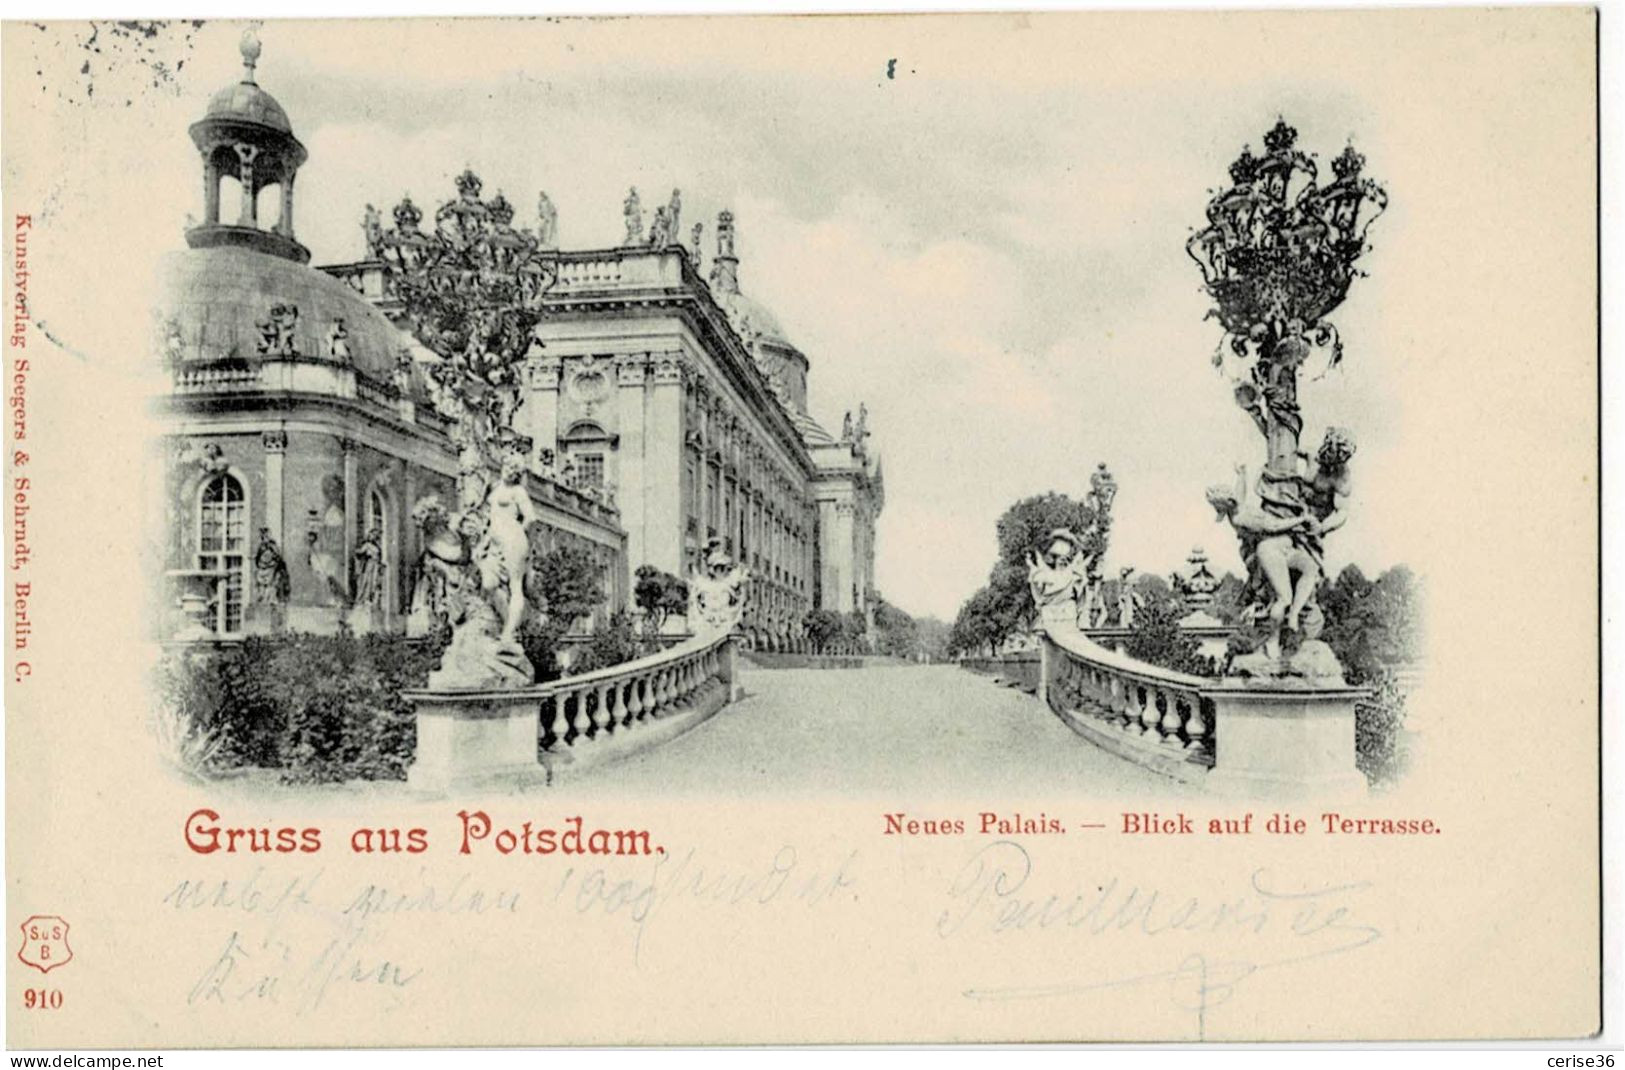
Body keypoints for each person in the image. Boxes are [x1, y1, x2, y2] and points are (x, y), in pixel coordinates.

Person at [480, 451, 536, 644]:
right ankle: (508, 624)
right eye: (508, 466)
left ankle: (509, 633)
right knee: (488, 583)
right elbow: (489, 518)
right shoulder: (494, 488)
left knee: (515, 586)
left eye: (515, 469)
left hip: (513, 541)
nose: (510, 472)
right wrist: (485, 542)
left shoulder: (518, 492)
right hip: (494, 543)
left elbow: (530, 517)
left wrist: (515, 533)